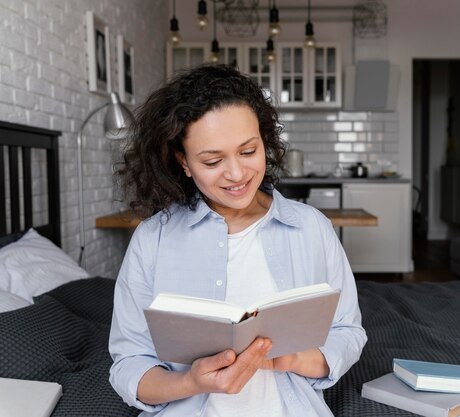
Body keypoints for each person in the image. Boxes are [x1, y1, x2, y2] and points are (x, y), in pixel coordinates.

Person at [108, 64, 367, 417]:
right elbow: (129, 364)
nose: (236, 174)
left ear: (264, 141)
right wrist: (192, 383)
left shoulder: (311, 228)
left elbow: (347, 331)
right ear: (183, 162)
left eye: (248, 152)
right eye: (212, 160)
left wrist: (292, 359)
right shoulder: (152, 239)